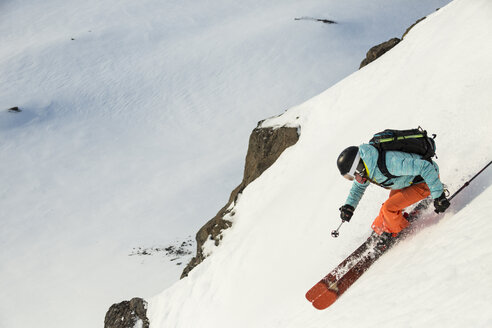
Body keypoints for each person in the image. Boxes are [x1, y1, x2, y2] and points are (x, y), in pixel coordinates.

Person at [337, 144, 450, 248]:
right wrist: (349, 206)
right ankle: (382, 230)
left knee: (389, 208)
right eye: (351, 177)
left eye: (353, 175)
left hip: (425, 181)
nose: (355, 179)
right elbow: (358, 188)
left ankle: (397, 230)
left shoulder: (390, 163)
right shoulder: (367, 167)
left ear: (359, 166)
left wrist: (438, 195)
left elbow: (426, 167)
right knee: (386, 208)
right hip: (407, 181)